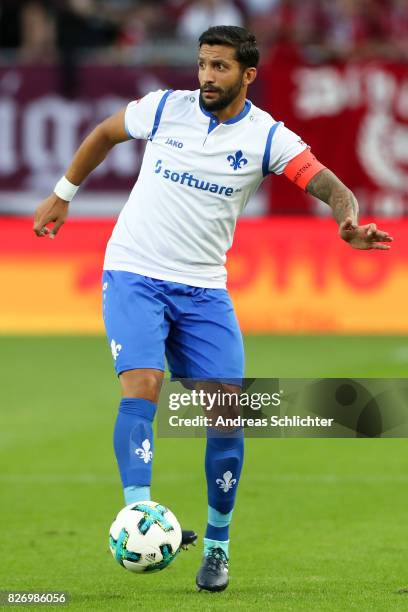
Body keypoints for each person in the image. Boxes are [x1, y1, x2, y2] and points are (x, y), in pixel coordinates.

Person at [33, 25, 393, 593]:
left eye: (220, 67)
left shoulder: (267, 137)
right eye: (203, 64)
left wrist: (346, 218)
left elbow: (328, 183)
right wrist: (63, 192)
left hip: (203, 289)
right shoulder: (164, 109)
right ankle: (139, 515)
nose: (206, 76)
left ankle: (218, 546)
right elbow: (105, 133)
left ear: (248, 75)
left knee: (228, 413)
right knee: (143, 383)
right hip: (134, 272)